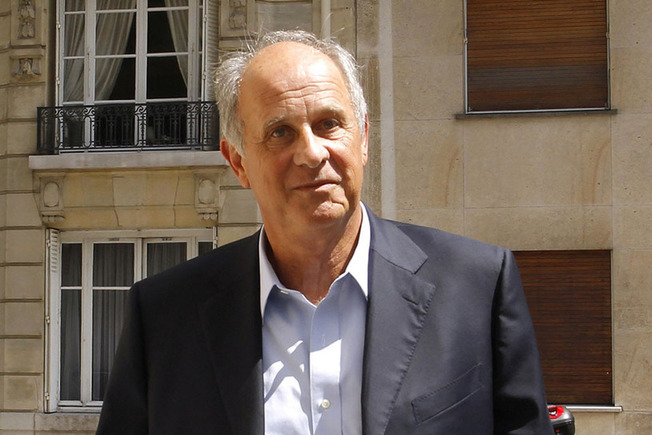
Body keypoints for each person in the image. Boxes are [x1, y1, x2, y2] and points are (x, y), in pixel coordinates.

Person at [96, 30, 553, 434]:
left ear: (364, 138)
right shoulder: (164, 317)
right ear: (238, 163)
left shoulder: (477, 287)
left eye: (329, 124)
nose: (312, 153)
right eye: (280, 132)